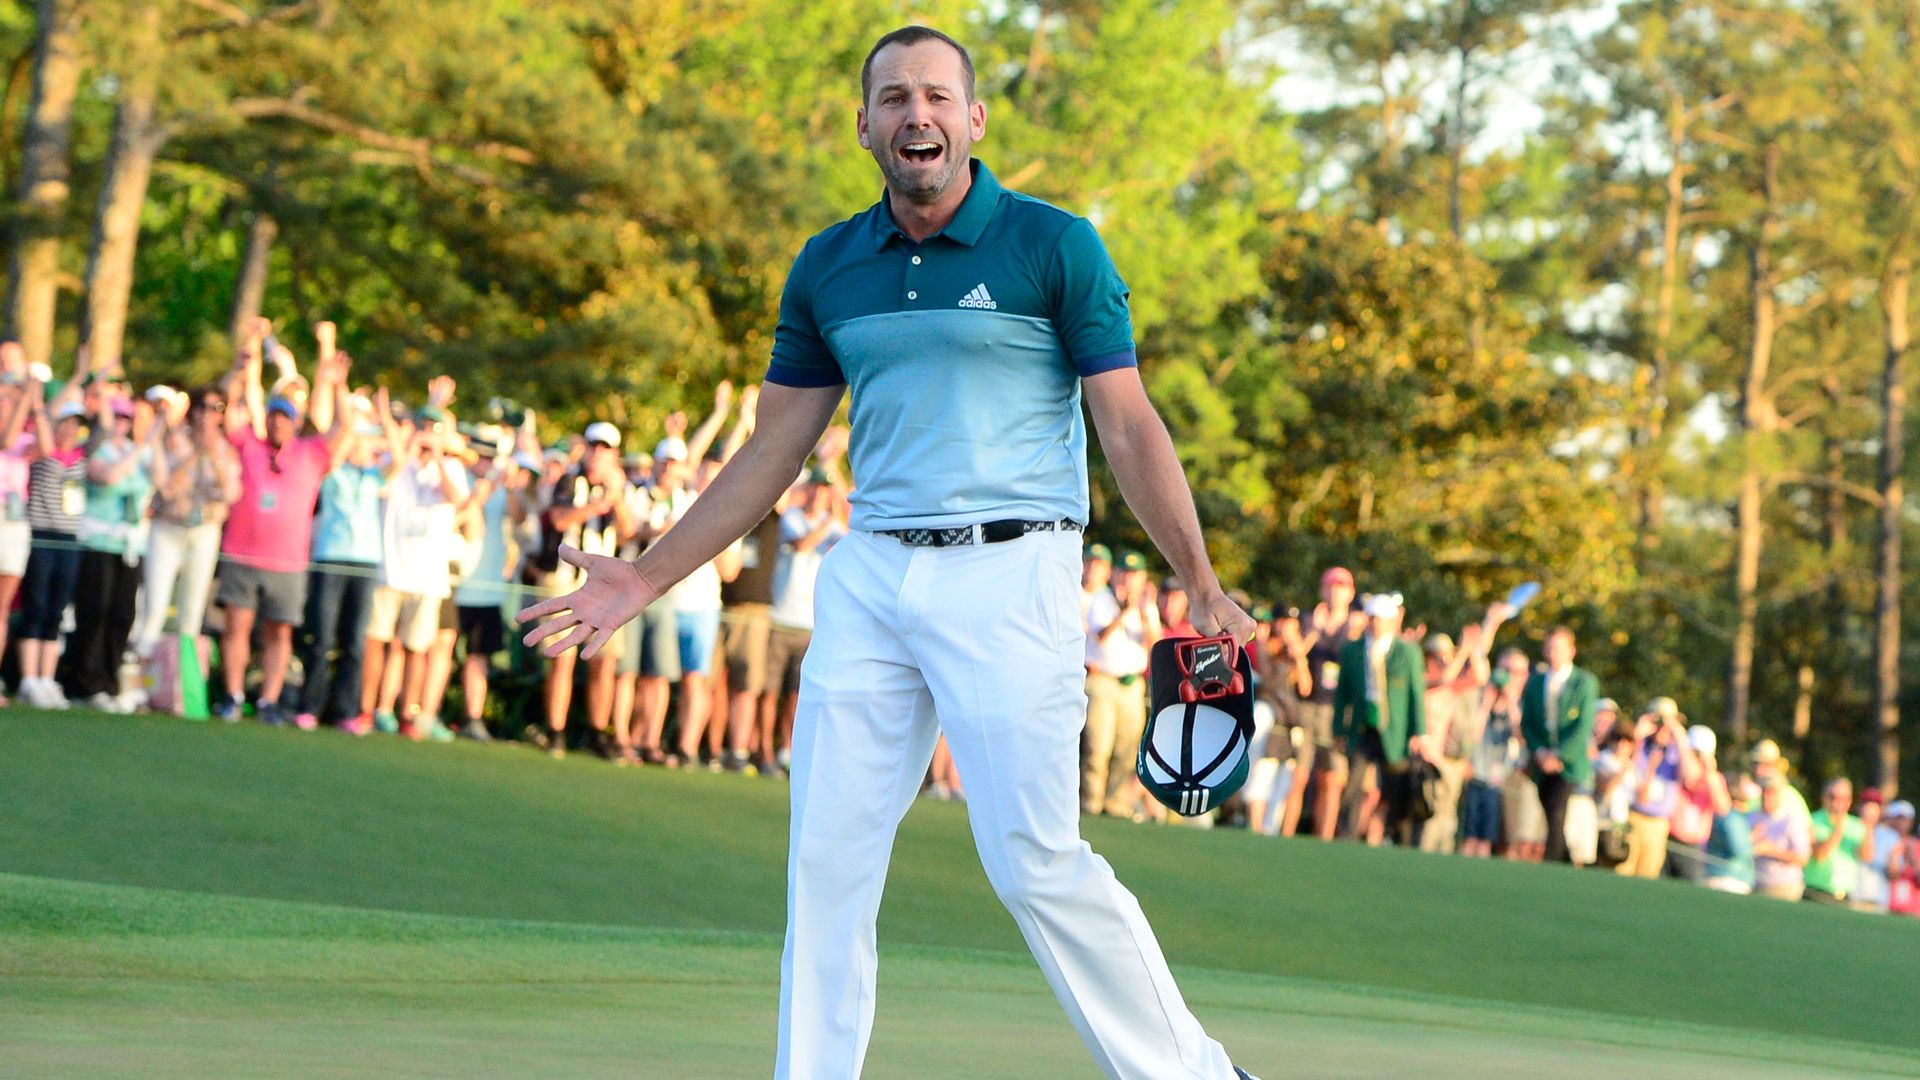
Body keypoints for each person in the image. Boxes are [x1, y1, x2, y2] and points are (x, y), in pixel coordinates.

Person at [520, 26, 1262, 1078]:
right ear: (866, 124)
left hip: (1014, 572)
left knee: (1033, 859)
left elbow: (1130, 426)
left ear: (974, 121)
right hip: (872, 576)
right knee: (825, 859)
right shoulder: (829, 265)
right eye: (896, 99)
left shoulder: (1054, 245)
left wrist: (1199, 582)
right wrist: (645, 574)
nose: (919, 115)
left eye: (938, 97)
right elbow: (774, 446)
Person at [214, 321, 344, 726]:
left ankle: (268, 700)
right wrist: (242, 368)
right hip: (241, 553)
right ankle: (234, 695)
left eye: (284, 417)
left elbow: (344, 430)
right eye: (272, 416)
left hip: (287, 563)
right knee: (236, 627)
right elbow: (229, 413)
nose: (276, 422)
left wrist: (337, 385)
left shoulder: (311, 453)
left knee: (280, 633)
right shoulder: (249, 447)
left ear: (294, 421)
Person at [527, 420, 634, 758]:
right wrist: (597, 505)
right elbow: (559, 520)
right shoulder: (570, 479)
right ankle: (556, 730)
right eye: (594, 446)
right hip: (566, 576)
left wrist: (615, 499)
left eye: (604, 448)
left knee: (605, 660)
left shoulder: (621, 486)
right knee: (562, 657)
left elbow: (629, 530)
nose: (597, 453)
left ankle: (596, 731)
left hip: (607, 584)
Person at [296, 381, 383, 733]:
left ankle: (346, 710)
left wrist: (383, 420)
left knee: (354, 643)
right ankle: (309, 706)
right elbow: (341, 439)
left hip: (364, 563)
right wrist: (341, 396)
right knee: (322, 638)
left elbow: (398, 454)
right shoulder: (330, 472)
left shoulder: (375, 476)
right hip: (331, 559)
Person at [134, 387, 241, 663]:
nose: (208, 415)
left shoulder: (226, 450)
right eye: (203, 408)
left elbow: (229, 494)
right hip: (169, 528)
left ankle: (181, 683)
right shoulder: (174, 441)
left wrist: (212, 458)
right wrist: (195, 455)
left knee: (192, 611)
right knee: (155, 605)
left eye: (216, 409)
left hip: (204, 531)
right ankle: (141, 677)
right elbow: (167, 488)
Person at [60, 393, 152, 710]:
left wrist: (155, 438)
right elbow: (109, 476)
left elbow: (160, 482)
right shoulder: (98, 449)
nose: (121, 423)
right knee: (94, 611)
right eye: (117, 416)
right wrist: (140, 450)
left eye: (127, 418)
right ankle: (86, 682)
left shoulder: (133, 450)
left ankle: (110, 683)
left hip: (129, 544)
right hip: (98, 541)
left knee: (122, 614)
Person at [1331, 592, 1425, 846]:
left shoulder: (1407, 652)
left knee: (1397, 786)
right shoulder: (1352, 650)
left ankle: (1399, 838)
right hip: (1363, 728)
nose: (1376, 624)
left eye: (1381, 619)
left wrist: (1419, 732)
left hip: (1394, 730)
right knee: (1353, 784)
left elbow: (1416, 694)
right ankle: (1347, 836)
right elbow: (1343, 695)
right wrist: (1339, 729)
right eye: (1373, 618)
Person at [15, 396, 89, 709]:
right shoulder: (40, 449)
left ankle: (47, 678)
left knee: (56, 611)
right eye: (68, 422)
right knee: (36, 604)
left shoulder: (82, 458)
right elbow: (44, 435)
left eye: (77, 424)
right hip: (42, 536)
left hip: (69, 538)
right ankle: (28, 679)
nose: (72, 429)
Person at [1082, 549, 1159, 818]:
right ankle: (1090, 801)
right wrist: (1124, 612)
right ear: (1115, 574)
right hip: (1102, 679)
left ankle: (1115, 804)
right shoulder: (1101, 599)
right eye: (1124, 573)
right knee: (1097, 746)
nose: (1128, 579)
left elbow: (1154, 645)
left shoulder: (1146, 607)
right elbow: (1101, 637)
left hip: (1132, 683)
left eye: (1134, 574)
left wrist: (1144, 614)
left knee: (1126, 748)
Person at [1520, 626, 1599, 864]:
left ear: (1571, 651)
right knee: (1550, 810)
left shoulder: (1583, 683)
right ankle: (1564, 859)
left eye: (1559, 648)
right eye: (1550, 647)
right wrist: (1540, 753)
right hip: (1541, 762)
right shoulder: (1535, 683)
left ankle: (1552, 861)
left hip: (1567, 764)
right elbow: (1528, 723)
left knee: (1556, 811)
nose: (1553, 653)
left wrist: (1560, 756)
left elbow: (1582, 726)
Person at [1299, 566, 1358, 840]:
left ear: (1350, 592)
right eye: (1331, 586)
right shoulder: (1310, 619)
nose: (1335, 592)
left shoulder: (1356, 626)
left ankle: (1324, 837)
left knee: (1331, 777)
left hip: (1337, 709)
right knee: (1299, 774)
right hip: (1308, 704)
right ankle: (1285, 834)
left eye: (1341, 587)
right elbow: (1296, 655)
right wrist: (1315, 630)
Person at [1615, 699, 1696, 879]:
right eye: (1659, 722)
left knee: (1647, 877)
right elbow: (1623, 765)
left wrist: (1680, 737)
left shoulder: (1677, 751)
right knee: (1623, 871)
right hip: (1632, 818)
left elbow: (1691, 777)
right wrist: (1637, 735)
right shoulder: (1640, 745)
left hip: (1658, 824)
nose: (1662, 728)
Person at [0, 372, 43, 704]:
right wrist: (25, 397)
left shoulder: (24, 439)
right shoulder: (9, 435)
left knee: (1, 609)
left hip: (14, 525)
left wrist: (36, 405)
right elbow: (5, 438)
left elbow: (50, 447)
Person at [1462, 647, 1526, 859]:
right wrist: (1487, 702)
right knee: (1469, 835)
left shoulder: (1521, 705)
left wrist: (1511, 700)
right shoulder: (1480, 696)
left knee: (1489, 838)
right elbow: (1473, 735)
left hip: (1501, 780)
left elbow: (1519, 736)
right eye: (1505, 669)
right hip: (1475, 773)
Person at [1666, 724, 1732, 882]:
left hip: (1693, 848)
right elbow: (1688, 778)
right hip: (1670, 840)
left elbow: (1723, 808)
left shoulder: (1715, 779)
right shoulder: (1676, 767)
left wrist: (1709, 772)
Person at [1804, 778, 1870, 906]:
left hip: (1845, 895)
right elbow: (1819, 854)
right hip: (1816, 893)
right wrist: (1838, 828)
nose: (1837, 802)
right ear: (1823, 798)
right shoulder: (1812, 821)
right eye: (1832, 797)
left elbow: (1866, 856)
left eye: (1843, 798)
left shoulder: (1856, 825)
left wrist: (1869, 825)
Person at [1751, 774, 1812, 902]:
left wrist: (1771, 851)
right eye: (1764, 790)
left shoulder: (1792, 821)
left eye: (1771, 791)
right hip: (1756, 886)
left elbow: (1802, 857)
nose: (1767, 796)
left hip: (1784, 889)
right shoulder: (1752, 816)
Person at [1702, 773, 1758, 895]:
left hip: (1723, 878)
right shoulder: (1733, 818)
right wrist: (1756, 841)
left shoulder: (1734, 816)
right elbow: (1739, 849)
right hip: (1728, 880)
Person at [1882, 800, 1919, 916]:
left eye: (1906, 819)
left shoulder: (1914, 845)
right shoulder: (1883, 840)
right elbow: (1890, 874)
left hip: (1913, 911)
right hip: (1887, 907)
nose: (1902, 823)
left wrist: (1912, 859)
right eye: (1898, 818)